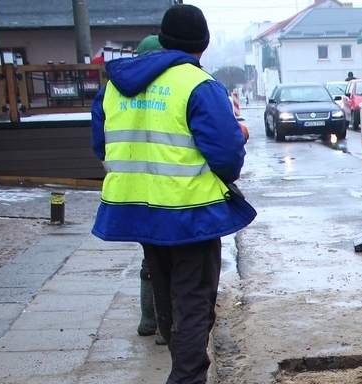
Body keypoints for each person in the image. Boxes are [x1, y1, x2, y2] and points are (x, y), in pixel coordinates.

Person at [90, 4, 256, 383]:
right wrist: (237, 142)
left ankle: (180, 363)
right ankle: (186, 377)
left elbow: (103, 146)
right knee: (194, 300)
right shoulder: (197, 84)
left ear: (163, 39)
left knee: (164, 293)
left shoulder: (114, 87)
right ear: (203, 44)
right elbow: (226, 155)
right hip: (188, 211)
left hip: (136, 209)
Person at [130, 34, 167, 347]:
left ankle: (148, 320)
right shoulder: (171, 90)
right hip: (170, 189)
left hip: (133, 191)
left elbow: (100, 144)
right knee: (175, 263)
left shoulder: (116, 93)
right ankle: (167, 327)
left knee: (150, 259)